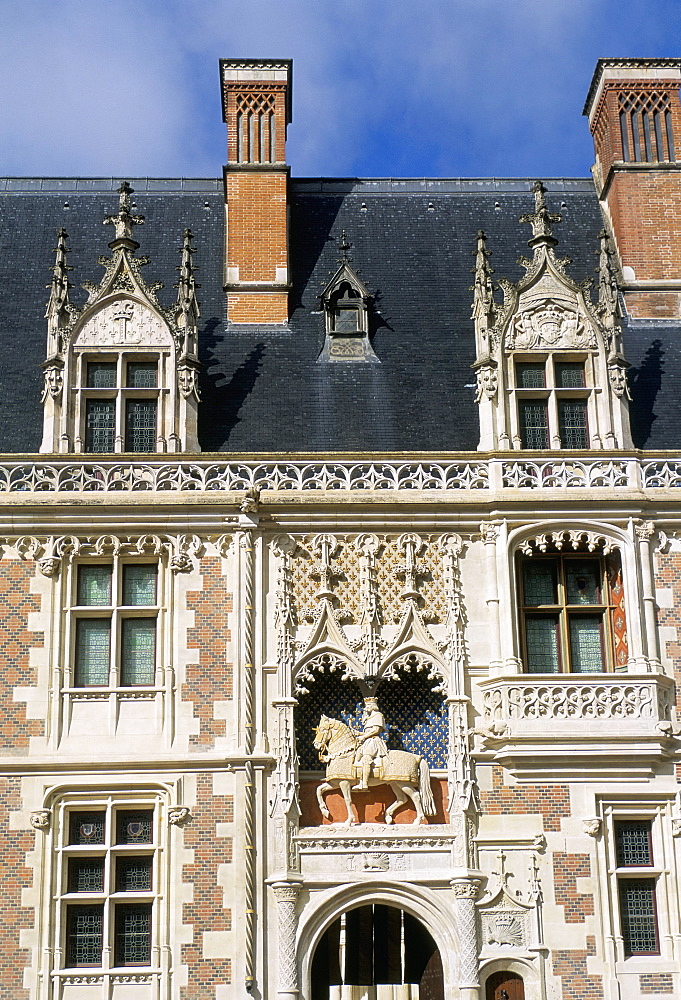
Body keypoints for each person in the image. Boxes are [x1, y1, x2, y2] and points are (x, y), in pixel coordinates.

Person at [354, 697, 388, 789]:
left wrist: (363, 736)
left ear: (373, 706)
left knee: (366, 759)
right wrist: (359, 733)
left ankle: (364, 783)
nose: (366, 707)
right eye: (366, 705)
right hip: (367, 741)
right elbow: (368, 731)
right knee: (356, 756)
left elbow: (376, 730)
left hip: (374, 741)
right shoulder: (369, 718)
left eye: (368, 705)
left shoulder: (378, 715)